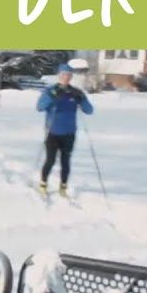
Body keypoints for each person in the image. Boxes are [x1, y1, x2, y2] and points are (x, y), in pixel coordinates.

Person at [35, 63, 93, 198]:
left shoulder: (75, 92)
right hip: (52, 132)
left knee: (65, 162)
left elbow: (89, 110)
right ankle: (43, 184)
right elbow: (40, 107)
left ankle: (63, 187)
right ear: (58, 75)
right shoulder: (50, 90)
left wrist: (81, 98)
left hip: (69, 133)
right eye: (63, 75)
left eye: (68, 75)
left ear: (71, 77)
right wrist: (52, 96)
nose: (65, 77)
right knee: (50, 160)